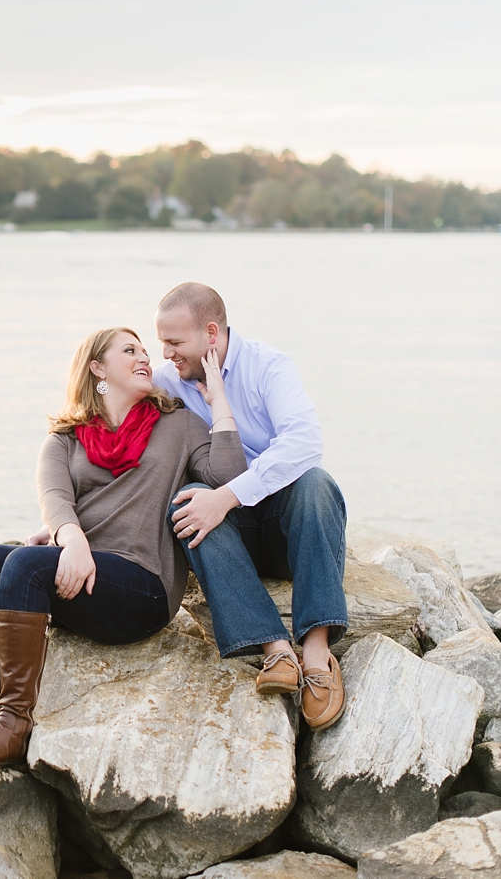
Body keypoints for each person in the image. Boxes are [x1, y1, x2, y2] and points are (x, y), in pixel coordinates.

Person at [0, 326, 247, 767]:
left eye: (144, 351)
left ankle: (15, 727)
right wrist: (72, 541)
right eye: (129, 350)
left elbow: (229, 476)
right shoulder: (65, 439)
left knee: (25, 566)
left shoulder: (178, 424)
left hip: (143, 585)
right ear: (97, 368)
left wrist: (220, 404)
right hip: (79, 569)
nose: (145, 358)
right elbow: (55, 502)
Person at [154, 281, 348, 731]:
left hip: (286, 531)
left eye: (174, 342)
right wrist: (65, 523)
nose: (165, 353)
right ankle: (275, 650)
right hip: (231, 541)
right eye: (162, 341)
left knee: (316, 482)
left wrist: (226, 497)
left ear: (211, 333)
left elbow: (304, 442)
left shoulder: (268, 367)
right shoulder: (169, 381)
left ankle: (317, 651)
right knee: (183, 506)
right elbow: (108, 421)